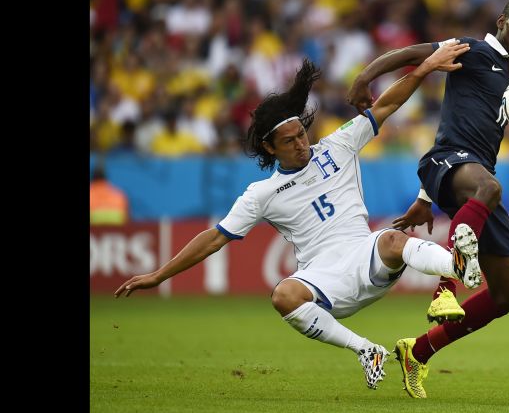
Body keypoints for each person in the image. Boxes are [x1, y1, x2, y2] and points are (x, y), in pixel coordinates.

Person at [114, 41, 482, 390]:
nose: (301, 143)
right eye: (289, 141)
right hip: (323, 278)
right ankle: (367, 351)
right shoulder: (262, 194)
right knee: (283, 295)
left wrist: (426, 68)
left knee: (391, 238)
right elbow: (214, 237)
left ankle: (458, 265)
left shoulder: (337, 146)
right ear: (269, 147)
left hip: (364, 254)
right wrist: (159, 275)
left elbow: (386, 105)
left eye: (301, 135)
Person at [347, 0, 509, 398]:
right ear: (502, 20)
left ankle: (417, 351)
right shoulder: (471, 50)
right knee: (491, 186)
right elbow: (411, 53)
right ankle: (444, 289)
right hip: (446, 162)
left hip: (469, 179)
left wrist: (424, 198)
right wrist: (365, 77)